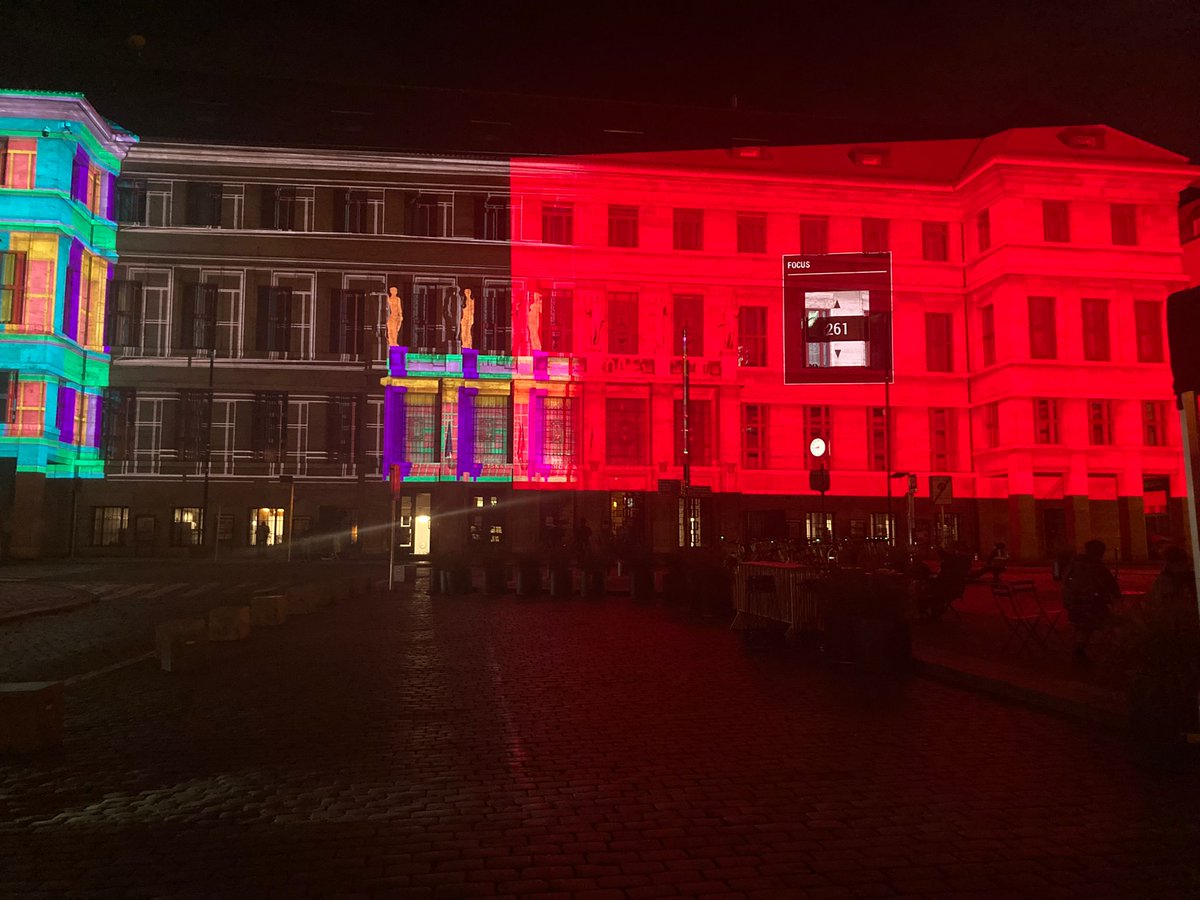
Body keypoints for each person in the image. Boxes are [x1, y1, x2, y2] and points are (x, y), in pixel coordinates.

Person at [1062, 539, 1120, 665]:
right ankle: (1110, 652)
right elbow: (1112, 586)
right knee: (1111, 622)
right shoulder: (1096, 567)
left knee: (1083, 629)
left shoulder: (1074, 565)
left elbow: (1066, 584)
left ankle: (1080, 651)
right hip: (1090, 606)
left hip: (1074, 605)